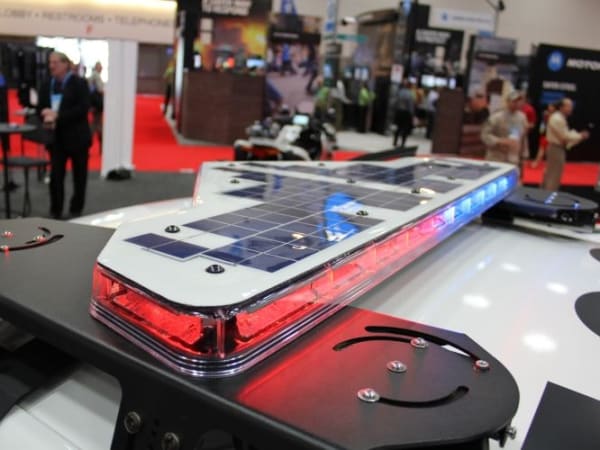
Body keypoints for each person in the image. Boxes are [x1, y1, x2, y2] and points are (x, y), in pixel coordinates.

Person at [38, 52, 92, 219]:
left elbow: (83, 108)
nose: (51, 66)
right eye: (50, 62)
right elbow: (40, 106)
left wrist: (58, 115)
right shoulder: (47, 84)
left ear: (65, 64)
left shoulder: (79, 83)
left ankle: (76, 210)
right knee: (56, 177)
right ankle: (56, 211)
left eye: (55, 62)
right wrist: (44, 112)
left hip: (78, 138)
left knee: (79, 177)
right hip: (56, 139)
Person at [542, 97, 590, 191]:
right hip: (556, 149)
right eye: (569, 106)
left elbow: (565, 135)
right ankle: (549, 194)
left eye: (571, 106)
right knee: (554, 175)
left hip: (557, 148)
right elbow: (565, 136)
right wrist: (580, 136)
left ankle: (544, 193)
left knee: (551, 173)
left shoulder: (560, 118)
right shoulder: (557, 119)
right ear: (561, 107)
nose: (571, 108)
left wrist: (578, 136)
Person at [480, 90, 529, 170]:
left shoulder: (522, 117)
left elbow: (523, 138)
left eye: (519, 101)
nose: (517, 103)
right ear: (508, 101)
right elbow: (485, 135)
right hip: (496, 157)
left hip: (513, 158)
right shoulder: (496, 117)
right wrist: (499, 141)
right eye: (514, 101)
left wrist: (524, 155)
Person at [393, 80, 415, 148]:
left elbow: (396, 102)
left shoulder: (400, 92)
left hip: (399, 111)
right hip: (406, 113)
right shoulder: (410, 94)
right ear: (410, 86)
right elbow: (410, 105)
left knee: (398, 127)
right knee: (405, 128)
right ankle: (403, 143)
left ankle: (395, 142)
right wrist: (412, 114)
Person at [88, 61, 104, 151]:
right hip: (97, 104)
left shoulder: (92, 76)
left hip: (94, 104)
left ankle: (102, 145)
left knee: (97, 123)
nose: (101, 68)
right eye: (100, 66)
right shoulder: (96, 76)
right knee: (96, 124)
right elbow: (100, 89)